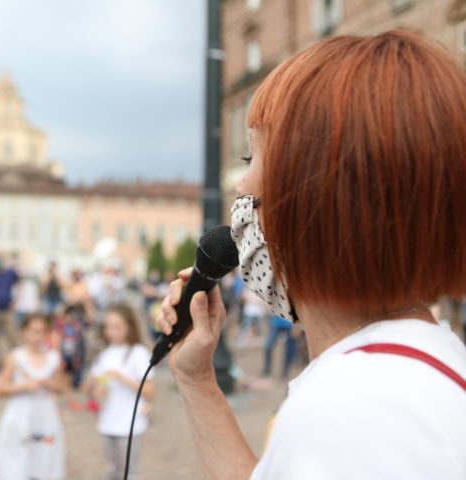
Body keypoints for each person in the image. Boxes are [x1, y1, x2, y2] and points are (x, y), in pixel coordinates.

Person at [156, 31, 466, 479]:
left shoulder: (350, 408)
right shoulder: (413, 369)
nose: (242, 188)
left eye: (252, 158)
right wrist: (197, 380)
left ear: (314, 194)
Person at [84, 304, 155, 480]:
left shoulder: (139, 353)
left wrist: (122, 377)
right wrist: (96, 389)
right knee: (111, 471)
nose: (111, 332)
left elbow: (150, 392)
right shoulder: (104, 354)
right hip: (107, 421)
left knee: (129, 472)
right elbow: (92, 386)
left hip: (130, 424)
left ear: (129, 327)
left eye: (116, 327)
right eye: (108, 326)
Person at [0, 314, 65, 480]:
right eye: (32, 331)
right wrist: (24, 386)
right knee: (17, 462)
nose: (36, 336)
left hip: (45, 415)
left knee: (43, 460)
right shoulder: (16, 357)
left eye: (40, 332)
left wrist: (51, 385)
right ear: (23, 332)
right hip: (20, 415)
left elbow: (62, 386)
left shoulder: (53, 358)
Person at [262, 315, 299, 380]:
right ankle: (267, 369)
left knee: (289, 350)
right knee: (268, 346)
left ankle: (285, 371)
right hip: (276, 323)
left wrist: (296, 327)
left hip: (290, 324)